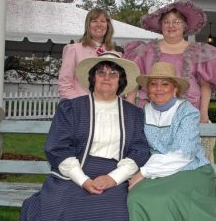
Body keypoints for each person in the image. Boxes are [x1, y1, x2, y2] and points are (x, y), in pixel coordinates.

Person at [20, 52, 150, 221]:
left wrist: (113, 178)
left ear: (121, 80)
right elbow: (58, 147)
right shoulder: (71, 109)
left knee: (117, 213)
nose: (106, 78)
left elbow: (139, 150)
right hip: (74, 173)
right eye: (101, 72)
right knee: (60, 211)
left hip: (116, 175)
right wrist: (83, 180)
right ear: (93, 78)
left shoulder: (133, 114)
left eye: (113, 74)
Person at [123, 0, 216, 162]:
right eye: (166, 22)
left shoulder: (199, 51)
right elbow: (134, 81)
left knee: (186, 156)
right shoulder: (145, 50)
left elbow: (205, 85)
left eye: (176, 22)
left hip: (187, 114)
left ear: (185, 26)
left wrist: (204, 114)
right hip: (152, 115)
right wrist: (128, 111)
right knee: (149, 155)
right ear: (160, 25)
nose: (171, 26)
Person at [127, 62, 216, 221]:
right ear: (147, 90)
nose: (158, 88)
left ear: (175, 89)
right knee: (136, 197)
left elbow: (183, 154)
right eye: (153, 84)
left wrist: (144, 172)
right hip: (157, 171)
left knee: (163, 198)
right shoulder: (145, 111)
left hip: (190, 170)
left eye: (165, 84)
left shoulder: (188, 112)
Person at [58, 8, 117, 99]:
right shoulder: (74, 49)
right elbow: (65, 84)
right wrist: (83, 104)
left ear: (108, 25)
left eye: (103, 21)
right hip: (79, 108)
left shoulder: (114, 53)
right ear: (88, 25)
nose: (99, 25)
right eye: (94, 21)